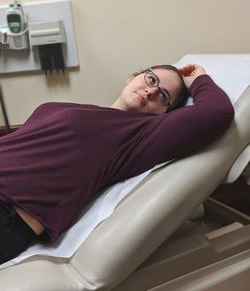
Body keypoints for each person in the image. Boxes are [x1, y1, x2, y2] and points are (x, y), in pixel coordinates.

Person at [0, 63, 234, 265]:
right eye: (151, 79)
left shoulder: (139, 135)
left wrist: (199, 79)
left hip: (8, 212)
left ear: (165, 115)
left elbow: (217, 112)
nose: (151, 91)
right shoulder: (84, 110)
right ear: (132, 77)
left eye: (163, 96)